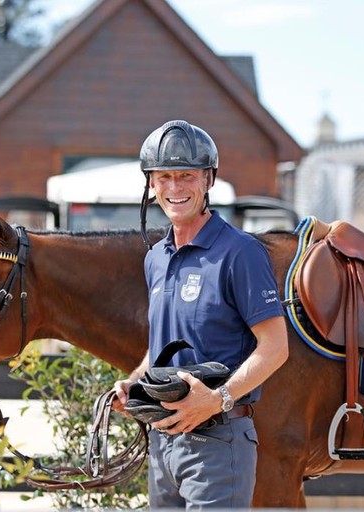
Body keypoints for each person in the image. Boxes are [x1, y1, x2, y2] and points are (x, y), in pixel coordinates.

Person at [112, 120, 289, 508]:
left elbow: (275, 347)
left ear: (208, 179)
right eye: (165, 177)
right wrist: (134, 383)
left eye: (187, 176)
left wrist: (217, 399)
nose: (175, 188)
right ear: (151, 184)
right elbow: (162, 344)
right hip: (163, 441)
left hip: (218, 442)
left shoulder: (241, 252)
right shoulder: (155, 259)